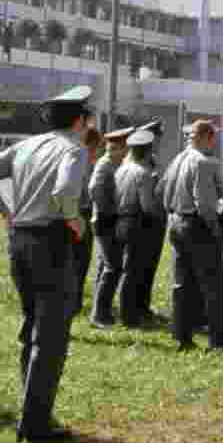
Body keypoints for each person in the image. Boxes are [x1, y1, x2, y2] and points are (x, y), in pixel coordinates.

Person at [0, 85, 94, 442]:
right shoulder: (73, 148)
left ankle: (33, 411)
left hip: (20, 241)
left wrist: (6, 212)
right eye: (88, 120)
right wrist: (75, 220)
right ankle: (37, 423)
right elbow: (63, 192)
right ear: (79, 120)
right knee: (52, 334)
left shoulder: (26, 146)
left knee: (32, 328)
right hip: (52, 241)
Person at [158, 119, 223, 354]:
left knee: (182, 284)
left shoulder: (178, 159)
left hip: (176, 222)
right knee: (214, 285)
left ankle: (181, 337)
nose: (214, 142)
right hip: (196, 225)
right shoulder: (203, 162)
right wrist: (214, 227)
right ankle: (218, 340)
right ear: (206, 137)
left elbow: (162, 191)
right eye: (213, 137)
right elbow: (204, 204)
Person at [88, 126, 132, 327]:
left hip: (110, 219)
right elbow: (95, 190)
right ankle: (100, 315)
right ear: (118, 147)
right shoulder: (105, 165)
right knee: (112, 267)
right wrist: (108, 209)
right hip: (105, 221)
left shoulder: (115, 164)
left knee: (106, 266)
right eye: (125, 147)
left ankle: (101, 311)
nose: (127, 152)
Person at [114, 129, 158, 328]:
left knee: (127, 269)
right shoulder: (143, 174)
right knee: (133, 272)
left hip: (121, 221)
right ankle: (129, 316)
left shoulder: (122, 169)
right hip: (137, 224)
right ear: (148, 151)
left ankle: (128, 312)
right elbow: (147, 206)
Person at [133, 118, 168, 323]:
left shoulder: (154, 160)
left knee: (150, 266)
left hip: (156, 219)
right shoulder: (139, 162)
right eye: (156, 138)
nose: (158, 142)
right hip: (143, 218)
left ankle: (144, 306)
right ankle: (136, 307)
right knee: (139, 267)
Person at [71, 126, 102, 318]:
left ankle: (74, 301)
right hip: (81, 212)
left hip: (73, 213)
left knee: (77, 260)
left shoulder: (77, 158)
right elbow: (88, 191)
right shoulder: (86, 162)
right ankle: (74, 302)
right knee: (81, 260)